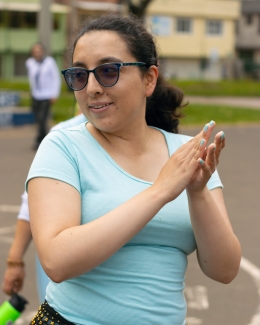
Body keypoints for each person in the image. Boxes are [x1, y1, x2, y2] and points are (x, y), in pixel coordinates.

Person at [26, 13, 241, 325]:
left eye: (108, 71)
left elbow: (223, 270)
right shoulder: (62, 147)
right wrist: (159, 192)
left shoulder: (186, 155)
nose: (92, 88)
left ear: (149, 79)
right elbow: (57, 261)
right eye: (79, 75)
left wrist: (197, 192)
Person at [1, 114, 87, 303]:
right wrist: (15, 260)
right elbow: (32, 201)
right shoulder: (62, 137)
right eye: (79, 81)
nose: (93, 89)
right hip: (65, 292)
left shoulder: (161, 134)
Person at [26, 42, 61, 150]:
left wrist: (54, 94)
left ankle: (40, 141)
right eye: (35, 51)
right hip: (35, 94)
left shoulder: (49, 62)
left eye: (39, 51)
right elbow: (31, 78)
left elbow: (56, 78)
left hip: (46, 95)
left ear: (43, 51)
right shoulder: (29, 62)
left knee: (42, 119)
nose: (37, 53)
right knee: (38, 119)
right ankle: (43, 139)